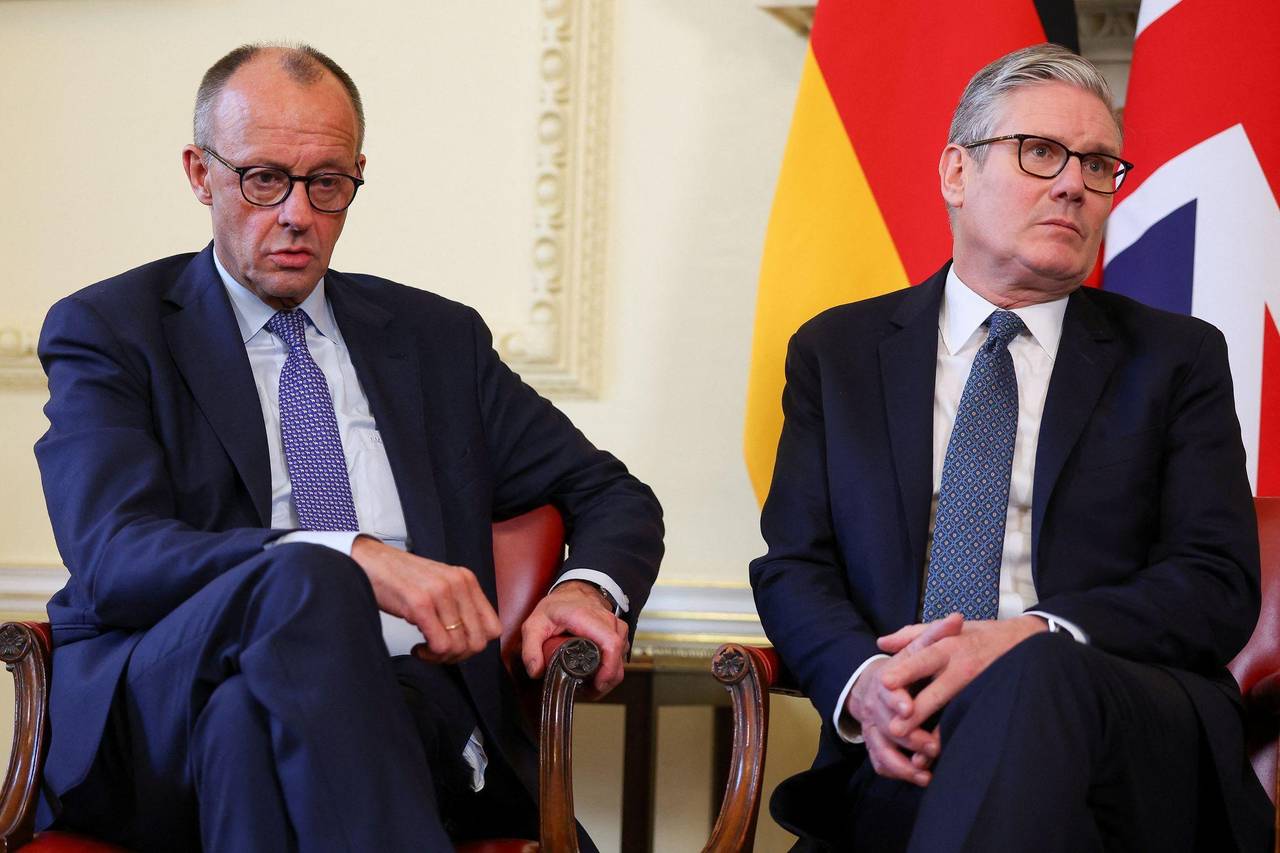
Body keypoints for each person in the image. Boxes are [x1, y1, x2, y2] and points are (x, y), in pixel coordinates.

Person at [34, 43, 663, 851]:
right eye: (264, 179)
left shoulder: (436, 342)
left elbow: (611, 492)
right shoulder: (113, 330)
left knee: (248, 723)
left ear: (357, 176)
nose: (297, 213)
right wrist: (352, 557)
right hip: (172, 700)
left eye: (326, 183)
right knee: (306, 582)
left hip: (406, 700)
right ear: (200, 173)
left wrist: (586, 589)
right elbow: (114, 556)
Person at [751, 44, 1271, 852]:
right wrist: (867, 686)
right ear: (957, 172)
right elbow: (796, 565)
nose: (1073, 184)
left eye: (1098, 164)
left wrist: (1033, 632)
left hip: (1122, 733)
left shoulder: (1176, 359)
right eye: (1040, 152)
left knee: (1034, 673)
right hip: (906, 736)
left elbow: (1216, 580)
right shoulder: (838, 353)